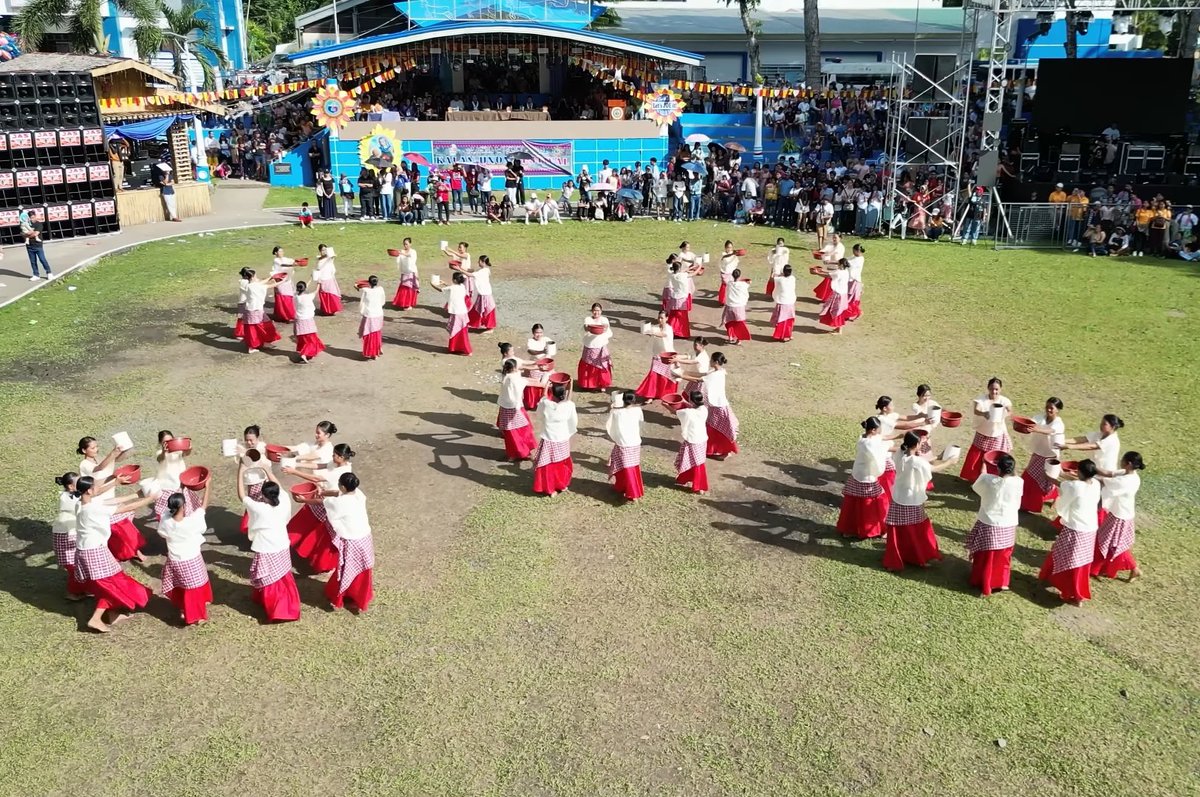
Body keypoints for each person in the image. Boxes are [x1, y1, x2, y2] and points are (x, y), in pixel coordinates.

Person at [73, 476, 157, 632]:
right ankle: (96, 618)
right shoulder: (94, 509)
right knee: (115, 584)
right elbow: (123, 509)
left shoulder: (81, 504)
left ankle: (112, 615)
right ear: (89, 491)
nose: (98, 489)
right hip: (95, 552)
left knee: (108, 585)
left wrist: (118, 483)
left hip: (85, 551)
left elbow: (103, 497)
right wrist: (150, 498)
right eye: (95, 487)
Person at [238, 465, 301, 622]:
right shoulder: (284, 500)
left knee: (269, 580)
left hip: (266, 548)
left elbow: (241, 496)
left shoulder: (259, 508)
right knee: (283, 578)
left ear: (263, 495)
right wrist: (268, 471)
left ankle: (277, 610)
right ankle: (288, 607)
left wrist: (240, 473)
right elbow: (278, 485)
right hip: (281, 545)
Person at [1040, 459, 1102, 605]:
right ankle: (1049, 576)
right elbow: (1075, 483)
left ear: (1079, 472)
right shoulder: (1096, 484)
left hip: (1076, 529)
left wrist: (1048, 476)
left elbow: (1064, 486)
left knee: (1070, 560)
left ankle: (1074, 593)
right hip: (1090, 528)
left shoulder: (1074, 487)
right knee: (1080, 561)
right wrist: (1063, 474)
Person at [284, 441, 353, 573]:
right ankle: (295, 545)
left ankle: (304, 552)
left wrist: (293, 471)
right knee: (308, 525)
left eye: (335, 456)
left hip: (328, 504)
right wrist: (297, 464)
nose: (332, 457)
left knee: (317, 532)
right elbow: (321, 465)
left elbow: (317, 479)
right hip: (324, 497)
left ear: (342, 457)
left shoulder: (342, 471)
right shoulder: (337, 463)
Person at [77, 436, 143, 562]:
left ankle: (132, 551)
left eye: (97, 447)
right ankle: (126, 552)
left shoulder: (100, 458)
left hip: (109, 496)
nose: (96, 449)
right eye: (92, 448)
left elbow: (114, 461)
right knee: (120, 528)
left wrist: (124, 449)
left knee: (122, 527)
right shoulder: (84, 464)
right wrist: (113, 453)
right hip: (98, 500)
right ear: (84, 450)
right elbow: (99, 468)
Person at [965, 452, 1023, 596]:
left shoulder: (988, 480)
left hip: (990, 522)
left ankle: (982, 581)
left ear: (997, 468)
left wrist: (984, 464)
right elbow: (1014, 477)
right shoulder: (1018, 482)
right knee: (1003, 555)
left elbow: (979, 483)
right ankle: (1001, 582)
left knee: (986, 555)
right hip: (1008, 523)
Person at [51, 471, 112, 600]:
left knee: (78, 567)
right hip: (66, 534)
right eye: (78, 483)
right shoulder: (69, 498)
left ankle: (83, 589)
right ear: (71, 487)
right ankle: (72, 592)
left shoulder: (74, 495)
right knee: (74, 568)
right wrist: (113, 481)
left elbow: (93, 488)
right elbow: (95, 491)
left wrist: (111, 479)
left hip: (71, 533)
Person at [157, 485, 213, 626]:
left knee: (182, 585)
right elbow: (203, 507)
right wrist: (207, 486)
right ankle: (195, 615)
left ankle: (183, 607)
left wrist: (180, 490)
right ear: (183, 507)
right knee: (194, 589)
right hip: (191, 558)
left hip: (175, 559)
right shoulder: (190, 522)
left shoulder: (165, 519)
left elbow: (162, 532)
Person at [1092, 451, 1145, 580]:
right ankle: (1132, 568)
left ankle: (1133, 568)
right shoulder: (1130, 474)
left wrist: (1085, 474)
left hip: (1119, 516)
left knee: (1107, 542)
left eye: (1122, 460)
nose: (1120, 461)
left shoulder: (1125, 481)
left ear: (1128, 464)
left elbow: (1104, 481)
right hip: (1121, 513)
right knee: (1112, 543)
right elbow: (1108, 474)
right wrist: (1089, 467)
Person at [837, 417, 891, 539]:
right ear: (872, 430)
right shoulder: (868, 445)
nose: (879, 431)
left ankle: (849, 529)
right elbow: (878, 453)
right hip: (867, 477)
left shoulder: (863, 437)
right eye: (878, 429)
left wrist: (897, 438)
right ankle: (875, 529)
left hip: (857, 474)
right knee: (875, 504)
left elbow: (879, 440)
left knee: (853, 504)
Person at [959, 377, 1012, 482]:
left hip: (997, 433)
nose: (994, 391)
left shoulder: (1004, 400)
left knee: (993, 458)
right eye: (992, 389)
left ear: (1000, 389)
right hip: (983, 432)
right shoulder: (982, 399)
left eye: (996, 389)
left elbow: (1010, 410)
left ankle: (992, 479)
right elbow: (976, 410)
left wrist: (1003, 415)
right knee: (977, 457)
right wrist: (984, 413)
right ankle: (974, 478)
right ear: (988, 388)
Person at [1020, 397, 1066, 513]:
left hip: (1050, 456)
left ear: (1058, 410)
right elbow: (1031, 422)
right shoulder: (1040, 417)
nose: (1048, 410)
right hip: (1038, 451)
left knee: (1039, 479)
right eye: (1047, 407)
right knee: (1030, 477)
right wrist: (1022, 423)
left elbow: (1050, 431)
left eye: (1051, 408)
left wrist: (1036, 429)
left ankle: (1030, 505)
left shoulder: (1059, 423)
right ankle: (1026, 503)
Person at [533, 382, 577, 496]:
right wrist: (570, 385)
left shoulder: (546, 404)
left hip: (549, 439)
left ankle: (550, 489)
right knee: (561, 464)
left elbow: (542, 400)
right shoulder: (569, 405)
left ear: (551, 393)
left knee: (548, 465)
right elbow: (569, 402)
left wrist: (546, 386)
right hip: (562, 439)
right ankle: (561, 484)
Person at [606, 390, 645, 502]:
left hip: (624, 443)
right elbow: (640, 420)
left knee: (628, 468)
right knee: (631, 466)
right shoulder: (637, 410)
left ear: (622, 400)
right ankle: (622, 486)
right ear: (634, 400)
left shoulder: (616, 412)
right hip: (635, 442)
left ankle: (633, 493)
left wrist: (613, 405)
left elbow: (611, 423)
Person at [497, 358, 537, 462]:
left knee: (510, 433)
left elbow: (522, 378)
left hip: (505, 408)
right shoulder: (514, 379)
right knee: (523, 430)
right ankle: (524, 452)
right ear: (514, 368)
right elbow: (525, 382)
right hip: (514, 408)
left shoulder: (505, 376)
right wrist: (543, 384)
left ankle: (512, 454)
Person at [672, 390, 710, 494]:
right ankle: (684, 479)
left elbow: (675, 411)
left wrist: (666, 404)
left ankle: (699, 486)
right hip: (702, 439)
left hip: (693, 440)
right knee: (696, 461)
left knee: (694, 462)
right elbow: (692, 407)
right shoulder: (704, 409)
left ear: (691, 400)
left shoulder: (688, 413)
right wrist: (686, 402)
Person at [703, 352, 739, 458]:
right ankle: (721, 450)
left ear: (716, 362)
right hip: (719, 404)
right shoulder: (721, 371)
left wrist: (681, 374)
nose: (710, 362)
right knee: (717, 429)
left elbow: (699, 379)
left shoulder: (715, 374)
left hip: (717, 405)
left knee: (714, 429)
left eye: (711, 360)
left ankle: (722, 451)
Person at [635, 310, 676, 401]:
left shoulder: (669, 328)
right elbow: (650, 331)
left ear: (667, 318)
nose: (660, 320)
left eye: (662, 318)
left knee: (666, 377)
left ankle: (664, 394)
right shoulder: (655, 327)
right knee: (654, 375)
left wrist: (652, 332)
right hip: (657, 354)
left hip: (667, 355)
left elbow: (663, 334)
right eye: (659, 318)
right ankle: (651, 395)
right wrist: (646, 330)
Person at [432, 271, 472, 355]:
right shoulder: (462, 287)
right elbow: (451, 287)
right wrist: (444, 283)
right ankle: (458, 348)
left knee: (455, 330)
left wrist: (432, 284)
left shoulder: (453, 288)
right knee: (462, 331)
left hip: (456, 312)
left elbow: (441, 289)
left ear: (454, 280)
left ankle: (459, 348)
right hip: (463, 312)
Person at [242, 269, 282, 353]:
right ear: (253, 277)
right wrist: (283, 281)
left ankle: (262, 342)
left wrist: (271, 277)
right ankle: (254, 346)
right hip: (256, 310)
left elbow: (261, 283)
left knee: (257, 328)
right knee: (261, 327)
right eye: (256, 275)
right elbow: (269, 285)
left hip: (251, 310)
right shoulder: (256, 286)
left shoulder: (248, 285)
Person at [577, 303, 613, 389]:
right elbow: (585, 327)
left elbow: (606, 327)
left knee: (602, 365)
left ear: (601, 311)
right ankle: (589, 384)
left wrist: (604, 327)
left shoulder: (604, 319)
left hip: (600, 345)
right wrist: (589, 328)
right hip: (590, 345)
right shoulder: (588, 319)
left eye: (598, 311)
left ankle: (602, 384)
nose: (596, 312)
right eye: (594, 310)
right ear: (592, 311)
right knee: (588, 365)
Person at [461, 254, 498, 332]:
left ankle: (490, 327)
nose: (478, 262)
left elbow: (470, 274)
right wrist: (461, 268)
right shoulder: (486, 270)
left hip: (485, 294)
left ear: (483, 262)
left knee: (487, 309)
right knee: (477, 309)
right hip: (483, 294)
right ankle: (471, 323)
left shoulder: (482, 272)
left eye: (479, 261)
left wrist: (459, 269)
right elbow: (472, 271)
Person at [293, 281, 325, 363]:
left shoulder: (296, 297)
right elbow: (315, 291)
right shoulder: (308, 297)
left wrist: (310, 280)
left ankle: (305, 352)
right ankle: (305, 353)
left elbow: (302, 288)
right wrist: (318, 284)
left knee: (303, 339)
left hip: (299, 320)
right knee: (312, 339)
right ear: (305, 288)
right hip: (307, 320)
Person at [815, 258, 850, 333]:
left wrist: (817, 273)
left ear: (840, 264)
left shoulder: (839, 273)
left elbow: (828, 275)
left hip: (838, 294)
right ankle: (838, 328)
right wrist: (822, 271)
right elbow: (831, 273)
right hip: (843, 294)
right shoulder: (845, 271)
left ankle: (839, 330)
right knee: (838, 311)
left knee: (836, 311)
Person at [663, 259, 694, 338]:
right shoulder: (682, 275)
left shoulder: (672, 275)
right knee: (683, 317)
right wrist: (699, 267)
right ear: (679, 268)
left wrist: (687, 269)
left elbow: (680, 271)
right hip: (682, 298)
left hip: (674, 298)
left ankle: (670, 330)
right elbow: (693, 274)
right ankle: (683, 333)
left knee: (673, 316)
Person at [721, 269, 752, 345]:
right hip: (739, 307)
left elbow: (726, 279)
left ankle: (731, 337)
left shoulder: (729, 283)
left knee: (729, 323)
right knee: (740, 324)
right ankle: (739, 339)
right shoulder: (744, 285)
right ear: (740, 275)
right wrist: (743, 280)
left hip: (730, 306)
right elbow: (749, 282)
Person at [23, 208, 52, 281]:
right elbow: (22, 234)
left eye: (33, 217)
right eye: (30, 218)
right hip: (29, 246)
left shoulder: (39, 224)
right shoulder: (25, 224)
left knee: (42, 259)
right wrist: (26, 234)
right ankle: (36, 274)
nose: (32, 219)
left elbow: (36, 233)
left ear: (35, 216)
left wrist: (28, 234)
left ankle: (49, 273)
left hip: (38, 245)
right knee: (33, 261)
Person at [270, 246, 298, 323]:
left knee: (289, 297)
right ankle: (285, 316)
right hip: (280, 281)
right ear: (276, 253)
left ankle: (289, 315)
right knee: (284, 297)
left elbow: (291, 261)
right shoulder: (276, 260)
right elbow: (283, 265)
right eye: (280, 251)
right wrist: (293, 265)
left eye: (282, 251)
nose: (282, 253)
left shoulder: (285, 259)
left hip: (287, 280)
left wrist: (297, 262)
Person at [313, 244, 343, 316]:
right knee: (324, 294)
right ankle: (326, 310)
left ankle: (332, 309)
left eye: (325, 250)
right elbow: (318, 268)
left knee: (331, 294)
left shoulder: (329, 258)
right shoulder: (319, 259)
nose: (324, 251)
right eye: (323, 250)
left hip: (329, 278)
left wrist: (329, 254)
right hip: (321, 279)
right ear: (320, 251)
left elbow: (333, 255)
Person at [770, 264, 797, 342]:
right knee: (789, 320)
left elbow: (772, 279)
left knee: (781, 320)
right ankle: (787, 335)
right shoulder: (792, 278)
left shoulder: (779, 279)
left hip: (782, 302)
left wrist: (773, 271)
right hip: (790, 302)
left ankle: (781, 335)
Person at [392, 238, 419, 309]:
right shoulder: (402, 251)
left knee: (409, 288)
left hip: (411, 272)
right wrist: (397, 255)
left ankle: (409, 304)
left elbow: (411, 258)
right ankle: (403, 303)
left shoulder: (413, 251)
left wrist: (402, 253)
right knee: (403, 287)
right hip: (404, 272)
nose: (405, 245)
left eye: (406, 244)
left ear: (410, 244)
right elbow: (398, 260)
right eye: (404, 244)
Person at [843, 244, 866, 322]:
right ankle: (847, 314)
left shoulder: (860, 259)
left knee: (851, 299)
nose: (853, 252)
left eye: (854, 250)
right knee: (848, 299)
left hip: (854, 281)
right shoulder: (854, 257)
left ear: (857, 251)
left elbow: (849, 264)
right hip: (850, 280)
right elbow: (846, 259)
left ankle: (858, 312)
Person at [234, 269, 250, 339]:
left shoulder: (242, 281)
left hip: (243, 301)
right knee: (242, 318)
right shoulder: (245, 282)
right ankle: (240, 333)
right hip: (244, 302)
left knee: (244, 317)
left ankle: (243, 332)